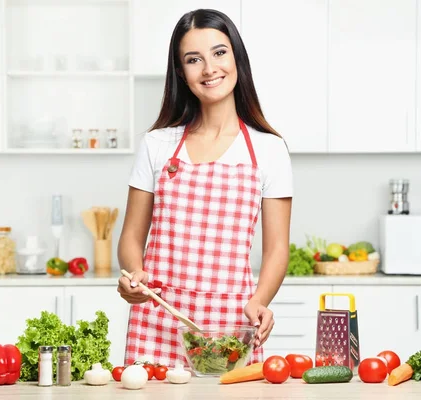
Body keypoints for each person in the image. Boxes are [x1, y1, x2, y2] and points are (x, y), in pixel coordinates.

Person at [117, 8, 292, 368]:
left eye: (219, 53)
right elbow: (131, 238)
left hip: (231, 326)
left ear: (236, 58)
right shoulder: (157, 145)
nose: (209, 68)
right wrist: (135, 277)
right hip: (158, 319)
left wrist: (260, 301)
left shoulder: (269, 150)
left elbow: (276, 249)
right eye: (193, 59)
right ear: (181, 72)